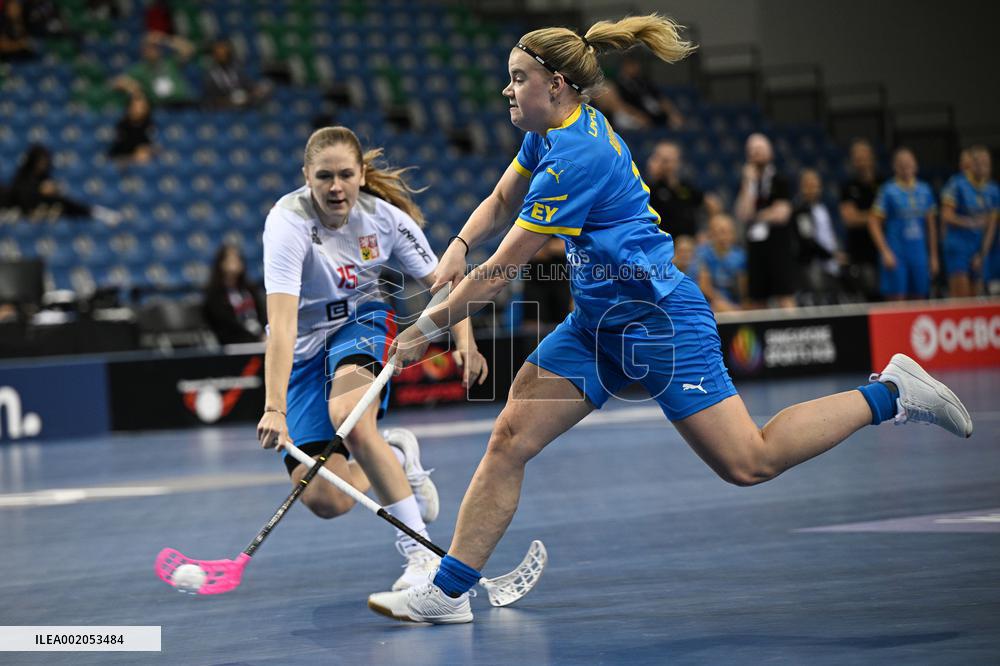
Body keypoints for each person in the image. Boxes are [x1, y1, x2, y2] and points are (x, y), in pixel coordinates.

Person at [366, 14, 973, 625]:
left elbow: (504, 271)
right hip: (598, 324)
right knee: (509, 439)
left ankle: (891, 393)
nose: (507, 90)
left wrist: (425, 331)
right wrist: (458, 246)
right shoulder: (550, 128)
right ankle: (447, 593)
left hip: (659, 324)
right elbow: (500, 202)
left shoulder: (576, 156)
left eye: (517, 78)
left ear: (555, 84)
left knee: (749, 462)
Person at [255, 126, 489, 592]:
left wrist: (465, 337)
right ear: (306, 176)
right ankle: (396, 456)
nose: (335, 186)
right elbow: (280, 326)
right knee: (327, 498)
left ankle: (421, 555)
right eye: (324, 176)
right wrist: (275, 407)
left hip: (358, 324)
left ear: (361, 174)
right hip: (302, 349)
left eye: (345, 174)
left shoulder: (386, 219)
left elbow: (440, 281)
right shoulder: (286, 223)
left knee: (351, 417)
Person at [735, 133, 797, 309]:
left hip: (778, 246)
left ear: (770, 153)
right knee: (757, 300)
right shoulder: (747, 183)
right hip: (755, 247)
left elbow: (781, 215)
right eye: (752, 150)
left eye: (760, 149)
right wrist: (749, 183)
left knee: (784, 296)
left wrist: (756, 216)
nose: (756, 153)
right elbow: (742, 214)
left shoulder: (780, 180)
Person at [868, 148, 939, 301]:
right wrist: (885, 251)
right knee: (896, 299)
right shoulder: (888, 190)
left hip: (919, 253)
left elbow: (931, 227)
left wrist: (933, 256)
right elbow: (873, 222)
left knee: (920, 296)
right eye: (901, 164)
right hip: (897, 252)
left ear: (915, 165)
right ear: (895, 167)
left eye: (909, 163)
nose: (906, 167)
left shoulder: (925, 190)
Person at [7, 144, 121, 225]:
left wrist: (53, 189)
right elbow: (19, 194)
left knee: (66, 203)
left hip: (47, 210)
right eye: (40, 161)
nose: (42, 165)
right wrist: (38, 189)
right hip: (24, 211)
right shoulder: (22, 176)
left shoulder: (45, 177)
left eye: (45, 161)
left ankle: (96, 212)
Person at [940, 146, 999, 297]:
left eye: (986, 163)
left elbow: (991, 226)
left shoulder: (993, 190)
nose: (982, 167)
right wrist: (971, 223)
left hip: (978, 245)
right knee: (961, 296)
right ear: (970, 164)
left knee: (976, 296)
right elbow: (946, 216)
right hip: (958, 245)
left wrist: (982, 253)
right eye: (978, 163)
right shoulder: (956, 184)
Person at [646, 139, 721, 242]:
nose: (667, 164)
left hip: (688, 246)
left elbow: (712, 204)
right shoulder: (651, 188)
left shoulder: (685, 187)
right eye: (663, 160)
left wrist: (709, 233)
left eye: (671, 159)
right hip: (662, 244)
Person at [839, 139, 882, 302]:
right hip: (860, 252)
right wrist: (877, 217)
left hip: (885, 249)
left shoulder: (884, 183)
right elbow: (850, 219)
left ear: (872, 158)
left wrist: (864, 216)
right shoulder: (848, 187)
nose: (861, 161)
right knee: (866, 296)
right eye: (857, 158)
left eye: (863, 157)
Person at [793, 168, 843, 304]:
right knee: (818, 300)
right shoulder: (800, 210)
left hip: (829, 263)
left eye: (815, 185)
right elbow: (807, 239)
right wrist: (831, 255)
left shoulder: (822, 208)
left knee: (834, 299)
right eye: (808, 185)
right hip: (812, 264)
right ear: (801, 187)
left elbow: (828, 235)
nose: (812, 189)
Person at [111, 31, 196, 108]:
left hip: (182, 102)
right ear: (143, 51)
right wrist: (134, 89)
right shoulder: (139, 69)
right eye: (148, 48)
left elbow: (189, 49)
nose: (152, 51)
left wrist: (164, 40)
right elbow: (118, 82)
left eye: (155, 48)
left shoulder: (171, 62)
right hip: (161, 106)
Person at [202, 243, 266, 345]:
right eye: (230, 260)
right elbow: (224, 324)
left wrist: (263, 334)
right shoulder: (214, 295)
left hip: (260, 339)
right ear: (221, 263)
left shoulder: (250, 290)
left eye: (237, 259)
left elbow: (262, 314)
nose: (235, 263)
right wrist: (253, 337)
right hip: (235, 343)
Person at [613, 53, 684, 129]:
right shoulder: (618, 84)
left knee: (676, 122)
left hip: (656, 115)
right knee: (622, 119)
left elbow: (661, 98)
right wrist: (637, 115)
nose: (635, 67)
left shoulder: (644, 80)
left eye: (636, 64)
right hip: (636, 115)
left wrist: (672, 113)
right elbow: (619, 104)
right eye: (631, 65)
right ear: (624, 66)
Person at [697, 213, 747, 312]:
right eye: (721, 232)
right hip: (709, 301)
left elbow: (743, 288)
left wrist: (743, 305)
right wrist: (724, 304)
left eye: (729, 232)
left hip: (734, 302)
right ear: (711, 233)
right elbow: (704, 286)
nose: (725, 236)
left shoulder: (740, 256)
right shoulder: (703, 253)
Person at [202, 38, 270, 109]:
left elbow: (249, 85)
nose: (222, 55)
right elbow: (210, 98)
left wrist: (254, 93)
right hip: (223, 108)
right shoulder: (210, 75)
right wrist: (230, 101)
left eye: (225, 52)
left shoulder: (237, 69)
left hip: (244, 104)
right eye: (219, 53)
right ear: (214, 55)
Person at [108, 93, 155, 163]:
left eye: (142, 107)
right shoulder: (122, 126)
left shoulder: (151, 125)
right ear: (129, 108)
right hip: (126, 162)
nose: (138, 110)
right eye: (135, 107)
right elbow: (115, 153)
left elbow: (156, 147)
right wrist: (134, 157)